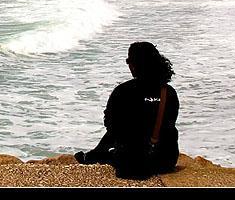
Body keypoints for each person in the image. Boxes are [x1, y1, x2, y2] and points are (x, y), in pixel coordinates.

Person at [74, 42, 180, 179]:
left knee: (114, 150)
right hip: (165, 160)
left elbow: (112, 128)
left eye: (128, 61)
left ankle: (93, 156)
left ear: (134, 64)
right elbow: (170, 123)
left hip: (132, 161)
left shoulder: (123, 91)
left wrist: (95, 153)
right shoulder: (169, 92)